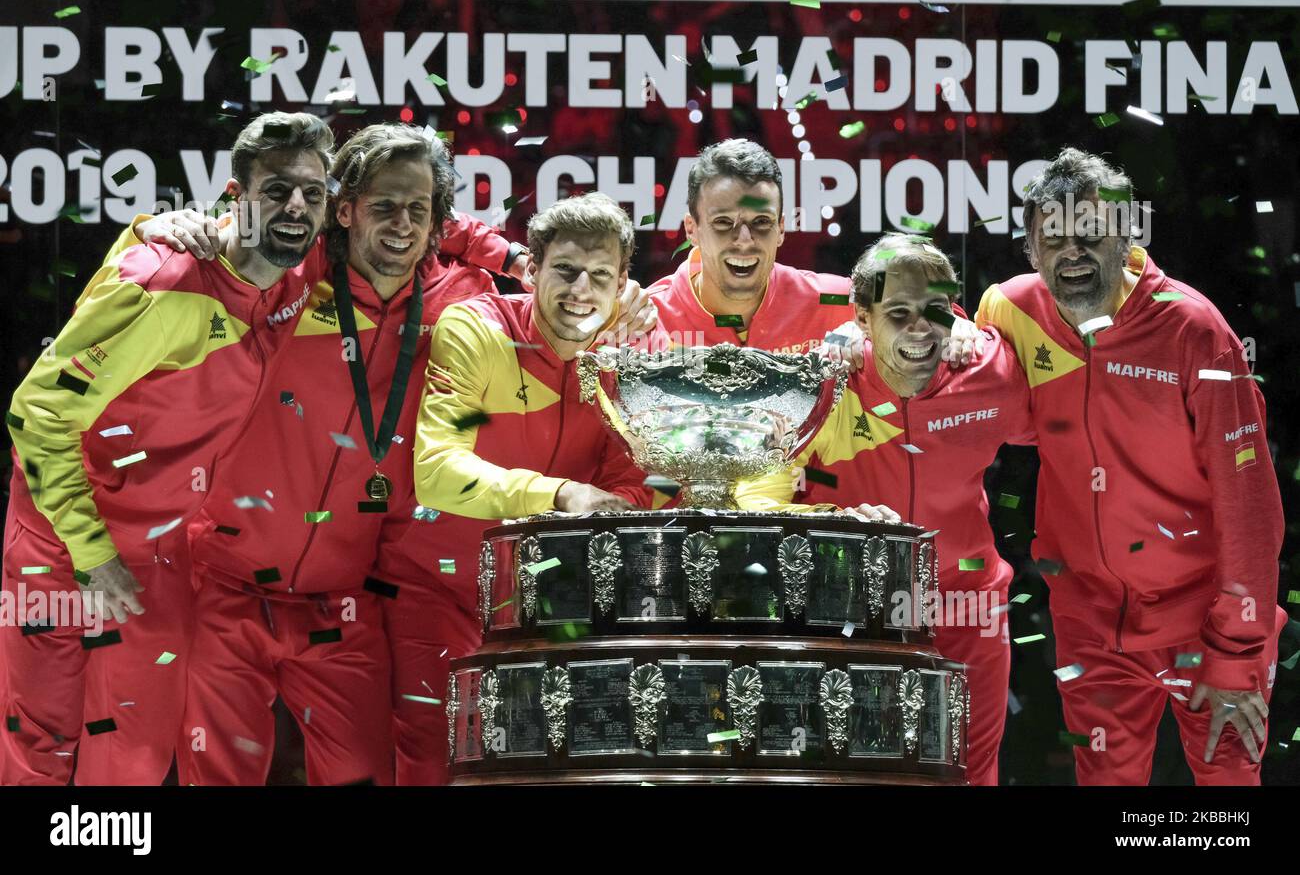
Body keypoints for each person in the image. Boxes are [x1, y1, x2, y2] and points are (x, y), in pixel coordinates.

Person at [2, 111, 334, 784]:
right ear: (238, 199)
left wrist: (510, 259)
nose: (297, 207)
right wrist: (92, 558)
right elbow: (36, 412)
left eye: (313, 193)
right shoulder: (164, 287)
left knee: (134, 755)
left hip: (159, 552)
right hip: (63, 544)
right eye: (277, 191)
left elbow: (409, 221)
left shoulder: (292, 280)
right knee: (38, 747)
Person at [975, 146, 1286, 785]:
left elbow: (1249, 506)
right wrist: (951, 335)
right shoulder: (1007, 312)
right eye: (1054, 238)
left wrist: (1239, 654)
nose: (1074, 253)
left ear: (1127, 235)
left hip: (1206, 619)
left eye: (1092, 233)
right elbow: (1002, 416)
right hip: (1089, 617)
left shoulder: (1194, 330)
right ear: (1031, 249)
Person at [736, 233, 1036, 785]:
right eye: (897, 313)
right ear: (863, 319)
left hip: (966, 607)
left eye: (934, 312)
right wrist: (829, 524)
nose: (919, 329)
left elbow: (1074, 429)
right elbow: (755, 500)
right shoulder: (820, 383)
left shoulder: (992, 372)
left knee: (969, 774)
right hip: (853, 615)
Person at [398, 191, 662, 783]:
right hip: (441, 589)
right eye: (565, 271)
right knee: (438, 761)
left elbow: (635, 483)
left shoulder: (631, 357)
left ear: (623, 284)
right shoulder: (477, 327)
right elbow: (436, 472)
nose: (581, 291)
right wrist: (560, 495)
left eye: (601, 276)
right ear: (532, 268)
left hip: (554, 607)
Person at [645, 137, 983, 366]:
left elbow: (925, 310)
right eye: (723, 223)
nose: (744, 239)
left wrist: (957, 325)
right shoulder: (647, 316)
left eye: (761, 222)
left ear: (781, 229)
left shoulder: (832, 299)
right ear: (692, 229)